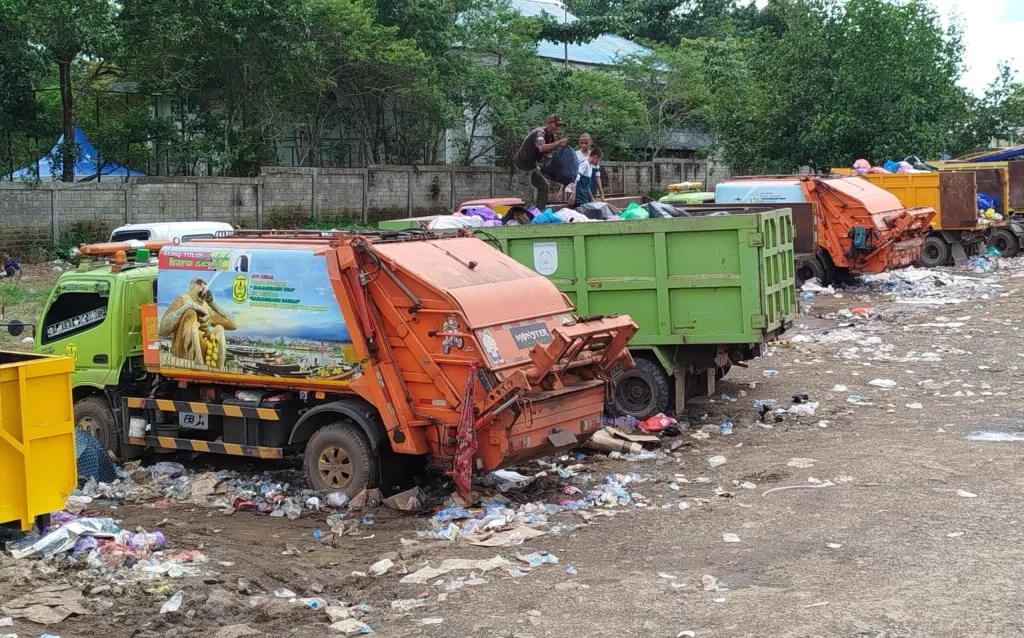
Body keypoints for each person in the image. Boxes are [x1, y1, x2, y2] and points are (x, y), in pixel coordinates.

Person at [513, 114, 568, 209]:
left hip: (532, 165)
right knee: (529, 190)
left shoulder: (551, 136)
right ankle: (531, 213)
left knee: (544, 186)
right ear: (548, 123)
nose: (557, 128)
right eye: (556, 125)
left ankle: (539, 211)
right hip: (522, 165)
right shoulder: (540, 133)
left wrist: (554, 161)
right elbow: (541, 148)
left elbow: (545, 154)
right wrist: (558, 143)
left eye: (559, 126)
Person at [575, 133, 606, 201]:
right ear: (579, 142)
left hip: (591, 188)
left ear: (591, 142)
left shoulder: (595, 157)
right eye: (581, 143)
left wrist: (602, 194)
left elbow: (597, 176)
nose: (583, 145)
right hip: (579, 191)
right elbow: (572, 174)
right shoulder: (576, 155)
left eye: (586, 143)